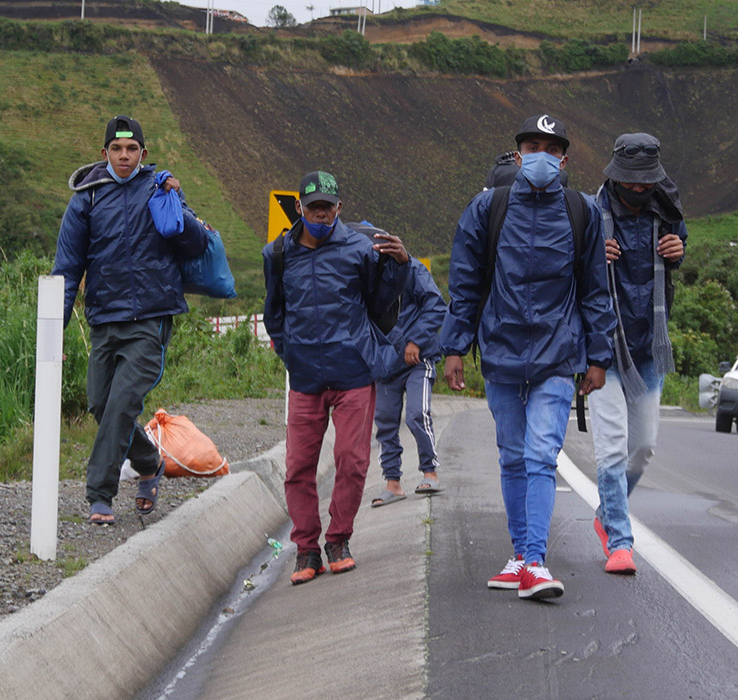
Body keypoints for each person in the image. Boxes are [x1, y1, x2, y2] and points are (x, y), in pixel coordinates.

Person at [441, 115, 616, 601]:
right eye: (532, 145)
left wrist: (598, 357)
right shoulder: (486, 208)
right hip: (500, 348)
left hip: (558, 354)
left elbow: (595, 292)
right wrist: (455, 346)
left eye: (551, 147)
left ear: (564, 158)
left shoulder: (583, 212)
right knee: (512, 456)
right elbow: (466, 283)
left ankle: (535, 561)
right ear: (518, 155)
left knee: (542, 455)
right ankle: (520, 556)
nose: (541, 154)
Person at [51, 115, 209, 525]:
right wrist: (55, 333)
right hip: (104, 317)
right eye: (117, 149)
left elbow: (194, 243)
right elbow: (67, 268)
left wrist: (177, 202)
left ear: (144, 153)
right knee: (101, 404)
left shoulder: (159, 187)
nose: (125, 156)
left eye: (132, 149)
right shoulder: (86, 198)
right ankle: (149, 460)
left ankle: (99, 495)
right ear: (104, 154)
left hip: (150, 318)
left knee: (122, 403)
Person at [262, 171, 411, 585]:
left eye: (328, 208)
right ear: (300, 209)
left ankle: (338, 539)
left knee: (352, 460)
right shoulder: (278, 254)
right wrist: (288, 350)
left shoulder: (360, 249)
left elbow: (381, 300)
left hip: (353, 372)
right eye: (314, 208)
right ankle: (306, 548)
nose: (322, 215)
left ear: (339, 208)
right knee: (297, 467)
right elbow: (274, 311)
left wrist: (400, 265)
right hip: (306, 376)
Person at [588, 132, 688, 575]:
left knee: (643, 446)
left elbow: (679, 248)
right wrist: (590, 256)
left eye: (644, 182)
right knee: (611, 447)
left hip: (648, 344)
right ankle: (620, 542)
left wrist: (677, 250)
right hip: (603, 346)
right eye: (631, 182)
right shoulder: (591, 214)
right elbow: (568, 270)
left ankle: (606, 513)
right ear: (616, 176)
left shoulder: (667, 208)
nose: (637, 189)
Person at [370, 258, 448, 507]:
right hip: (384, 363)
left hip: (418, 359)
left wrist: (416, 340)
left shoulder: (413, 269)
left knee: (417, 414)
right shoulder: (362, 275)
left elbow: (436, 305)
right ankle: (393, 483)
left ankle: (430, 472)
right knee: (384, 422)